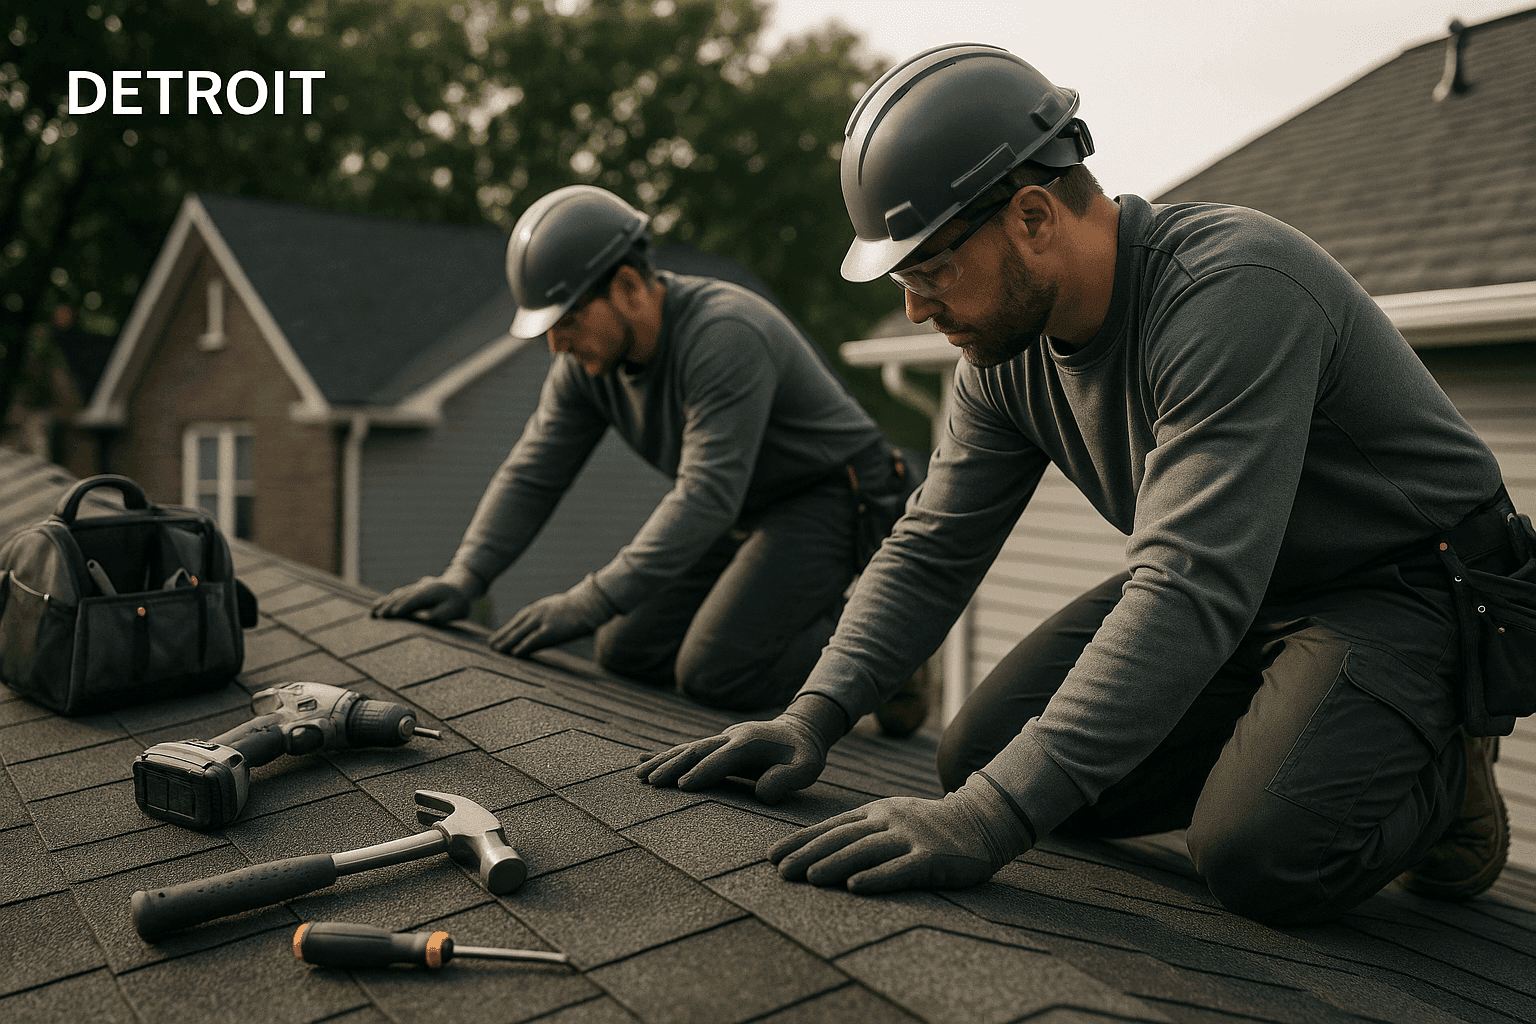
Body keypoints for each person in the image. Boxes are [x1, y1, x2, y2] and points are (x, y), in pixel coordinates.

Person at [637, 43, 1523, 923]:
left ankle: (1444, 768)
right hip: (1245, 586)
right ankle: (1306, 733)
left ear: (1031, 217)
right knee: (977, 754)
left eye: (929, 269)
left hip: (1404, 586)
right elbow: (933, 545)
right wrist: (812, 714)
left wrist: (988, 822)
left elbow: (1188, 584)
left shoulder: (1232, 291)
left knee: (1259, 857)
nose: (914, 307)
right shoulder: (1001, 356)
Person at [373, 185, 922, 720]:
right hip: (746, 505)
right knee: (625, 650)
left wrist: (587, 600)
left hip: (838, 493)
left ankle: (884, 644)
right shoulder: (585, 369)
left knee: (716, 671)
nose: (555, 345)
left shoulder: (723, 335)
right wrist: (466, 576)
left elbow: (705, 496)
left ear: (628, 286)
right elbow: (534, 473)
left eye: (568, 320)